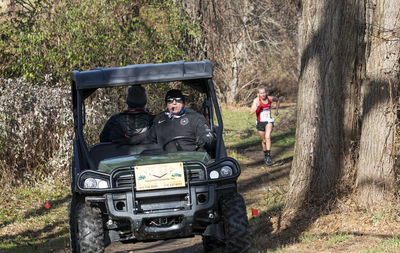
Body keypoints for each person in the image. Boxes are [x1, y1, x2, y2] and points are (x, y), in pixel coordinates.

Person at [149, 89, 215, 152]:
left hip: (193, 158)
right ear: (166, 104)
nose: (174, 103)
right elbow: (149, 140)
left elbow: (208, 136)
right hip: (166, 160)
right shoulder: (159, 120)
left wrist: (203, 140)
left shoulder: (194, 117)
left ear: (183, 102)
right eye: (170, 101)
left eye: (178, 100)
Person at [250, 86, 280, 165]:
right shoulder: (256, 100)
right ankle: (266, 154)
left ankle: (268, 156)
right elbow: (251, 112)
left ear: (266, 92)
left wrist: (276, 110)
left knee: (267, 137)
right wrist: (256, 106)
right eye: (261, 93)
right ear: (258, 94)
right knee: (263, 141)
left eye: (264, 93)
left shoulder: (270, 98)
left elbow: (277, 100)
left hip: (269, 121)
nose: (263, 94)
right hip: (260, 122)